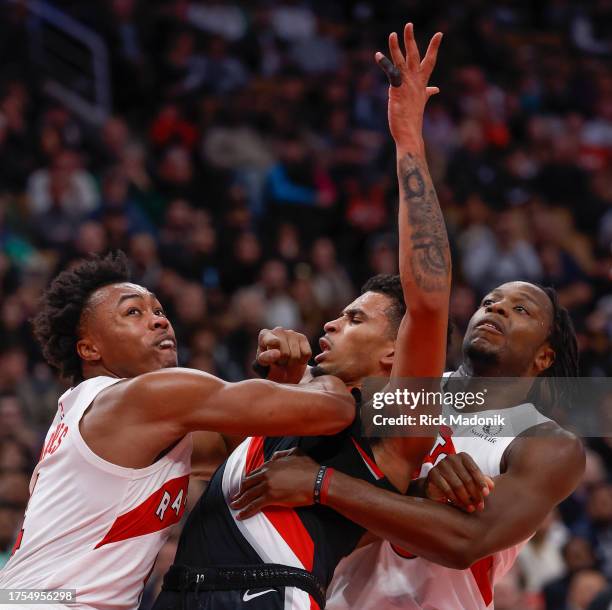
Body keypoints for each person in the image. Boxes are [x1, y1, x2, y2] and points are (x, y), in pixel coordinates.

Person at [152, 23, 451, 610]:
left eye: (357, 320)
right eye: (339, 315)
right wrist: (277, 388)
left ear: (395, 354)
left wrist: (407, 137)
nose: (331, 325)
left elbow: (430, 297)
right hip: (180, 592)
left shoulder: (396, 426)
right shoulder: (298, 402)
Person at [0, 252, 355, 610]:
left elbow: (235, 449)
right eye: (132, 312)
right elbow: (333, 411)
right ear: (89, 348)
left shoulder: (99, 412)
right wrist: (321, 374)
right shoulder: (143, 396)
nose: (158, 321)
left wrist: (284, 377)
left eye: (158, 311)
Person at [231, 279, 586, 610]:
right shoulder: (398, 388)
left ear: (544, 357)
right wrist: (284, 376)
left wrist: (323, 483)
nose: (496, 309)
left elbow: (466, 541)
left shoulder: (547, 444)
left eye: (520, 309)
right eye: (488, 302)